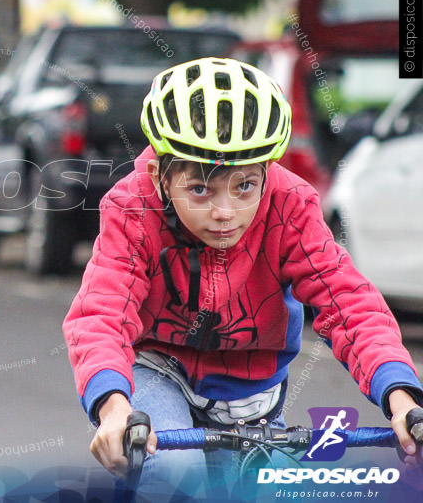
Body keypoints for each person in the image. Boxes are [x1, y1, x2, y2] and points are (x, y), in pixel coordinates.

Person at [62, 57, 423, 500]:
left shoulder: (291, 204)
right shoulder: (131, 207)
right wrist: (114, 408)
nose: (225, 212)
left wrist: (402, 396)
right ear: (159, 177)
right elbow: (102, 314)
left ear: (267, 174)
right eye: (200, 189)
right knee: (174, 474)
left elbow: (347, 304)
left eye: (245, 186)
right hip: (157, 371)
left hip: (253, 395)